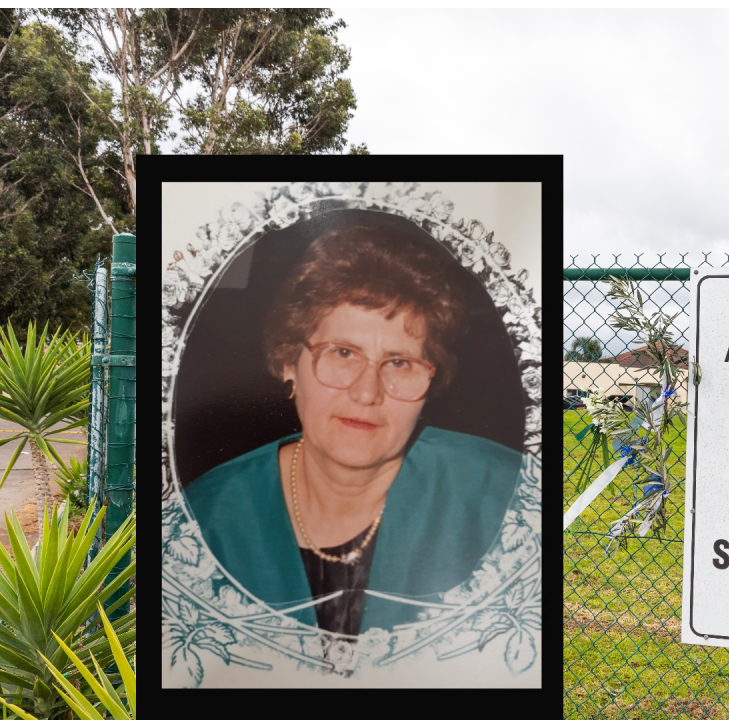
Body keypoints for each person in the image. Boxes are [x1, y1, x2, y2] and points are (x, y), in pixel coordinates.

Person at [183, 224, 522, 636]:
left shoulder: (505, 498)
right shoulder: (205, 519)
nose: (367, 393)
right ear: (289, 363)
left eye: (399, 362)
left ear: (430, 382)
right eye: (343, 353)